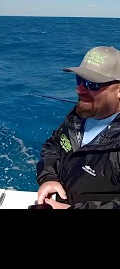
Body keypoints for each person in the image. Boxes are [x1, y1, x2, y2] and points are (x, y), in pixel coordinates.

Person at [35, 46, 120, 209]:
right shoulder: (79, 114)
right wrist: (49, 178)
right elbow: (53, 146)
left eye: (92, 84)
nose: (79, 89)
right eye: (79, 80)